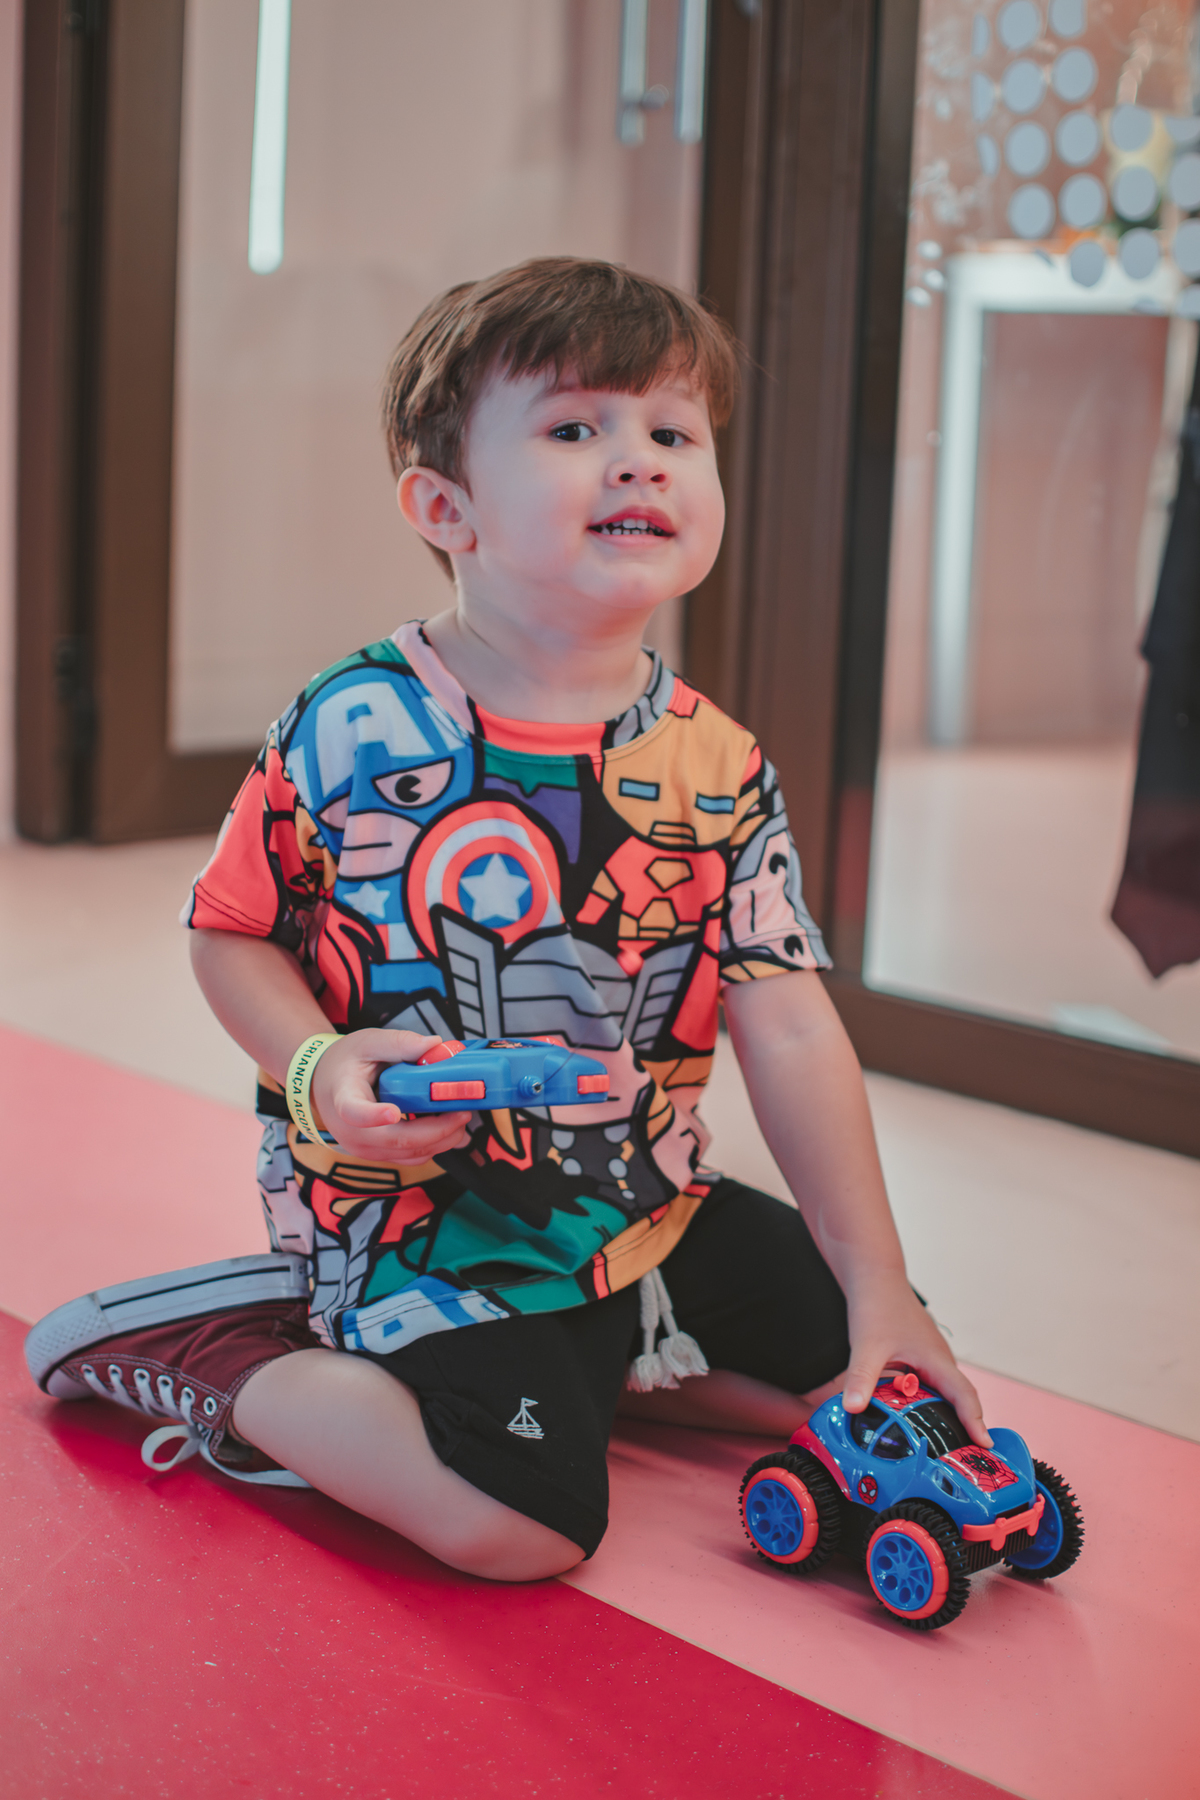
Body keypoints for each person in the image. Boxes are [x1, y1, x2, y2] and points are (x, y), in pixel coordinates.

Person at [25, 258, 988, 1582]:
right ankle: (225, 1355)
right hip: (418, 1222)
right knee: (521, 1529)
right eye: (577, 428)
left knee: (880, 1384)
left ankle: (614, 1356)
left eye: (674, 434)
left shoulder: (718, 762)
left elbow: (790, 1024)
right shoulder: (352, 725)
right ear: (447, 507)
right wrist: (316, 1066)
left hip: (641, 1203)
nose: (639, 460)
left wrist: (879, 1281)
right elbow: (228, 930)